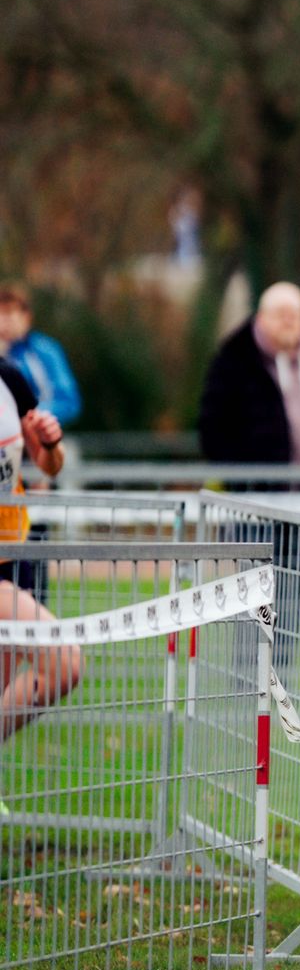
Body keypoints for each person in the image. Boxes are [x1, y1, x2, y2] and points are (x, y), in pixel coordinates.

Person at [1, 358, 79, 737]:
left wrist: (50, 444)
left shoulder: (9, 378)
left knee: (61, 669)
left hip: (14, 557)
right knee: (66, 662)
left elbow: (49, 465)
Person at [198, 282, 300, 472]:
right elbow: (213, 426)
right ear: (261, 318)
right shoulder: (233, 362)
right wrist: (238, 474)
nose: (288, 322)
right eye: (280, 315)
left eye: (294, 315)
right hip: (255, 483)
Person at [0, 283, 82, 428]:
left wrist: (29, 414)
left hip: (36, 434)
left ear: (26, 317)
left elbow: (68, 402)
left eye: (8, 313)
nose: (3, 321)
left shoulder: (44, 351)